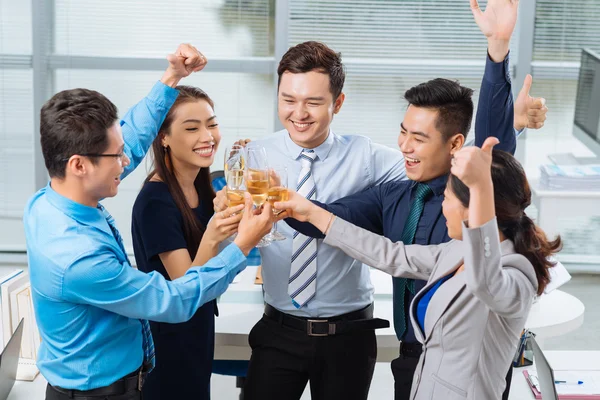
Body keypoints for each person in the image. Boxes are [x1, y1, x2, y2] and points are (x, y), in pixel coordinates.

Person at [213, 3, 547, 400]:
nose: (405, 146)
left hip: (440, 362)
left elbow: (485, 159)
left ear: (337, 103)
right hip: (403, 355)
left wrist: (499, 53)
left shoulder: (424, 180)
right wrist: (288, 204)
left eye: (418, 138)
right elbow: (371, 242)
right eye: (402, 132)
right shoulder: (394, 190)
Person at [23, 45, 274, 400]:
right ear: (79, 165)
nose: (127, 160)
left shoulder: (47, 201)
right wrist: (243, 244)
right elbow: (173, 299)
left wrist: (172, 77)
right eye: (117, 155)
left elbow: (135, 135)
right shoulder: (79, 259)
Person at [275, 138, 562, 400]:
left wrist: (481, 187)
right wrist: (312, 213)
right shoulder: (456, 250)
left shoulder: (516, 274)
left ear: (473, 207)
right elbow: (391, 255)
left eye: (448, 198)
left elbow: (484, 281)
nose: (442, 207)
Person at [131, 86, 244, 400]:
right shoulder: (156, 201)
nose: (207, 136)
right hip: (169, 342)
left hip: (196, 332)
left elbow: (211, 257)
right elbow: (186, 288)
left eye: (212, 124)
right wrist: (215, 232)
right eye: (192, 128)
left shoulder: (198, 182)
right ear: (163, 137)